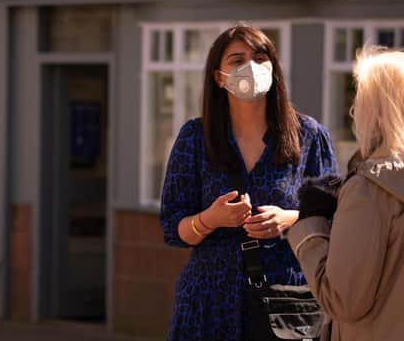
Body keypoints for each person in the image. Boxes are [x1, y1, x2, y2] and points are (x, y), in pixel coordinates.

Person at [159, 24, 338, 340]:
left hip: (287, 298)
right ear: (219, 77)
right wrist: (209, 220)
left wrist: (289, 219)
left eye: (259, 57)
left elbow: (335, 217)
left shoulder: (309, 136)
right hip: (210, 303)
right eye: (237, 60)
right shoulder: (195, 138)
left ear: (273, 66)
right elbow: (173, 229)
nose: (250, 68)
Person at [289, 47, 404, 341]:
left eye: (360, 97)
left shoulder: (370, 188)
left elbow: (343, 300)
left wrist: (311, 229)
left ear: (375, 109)